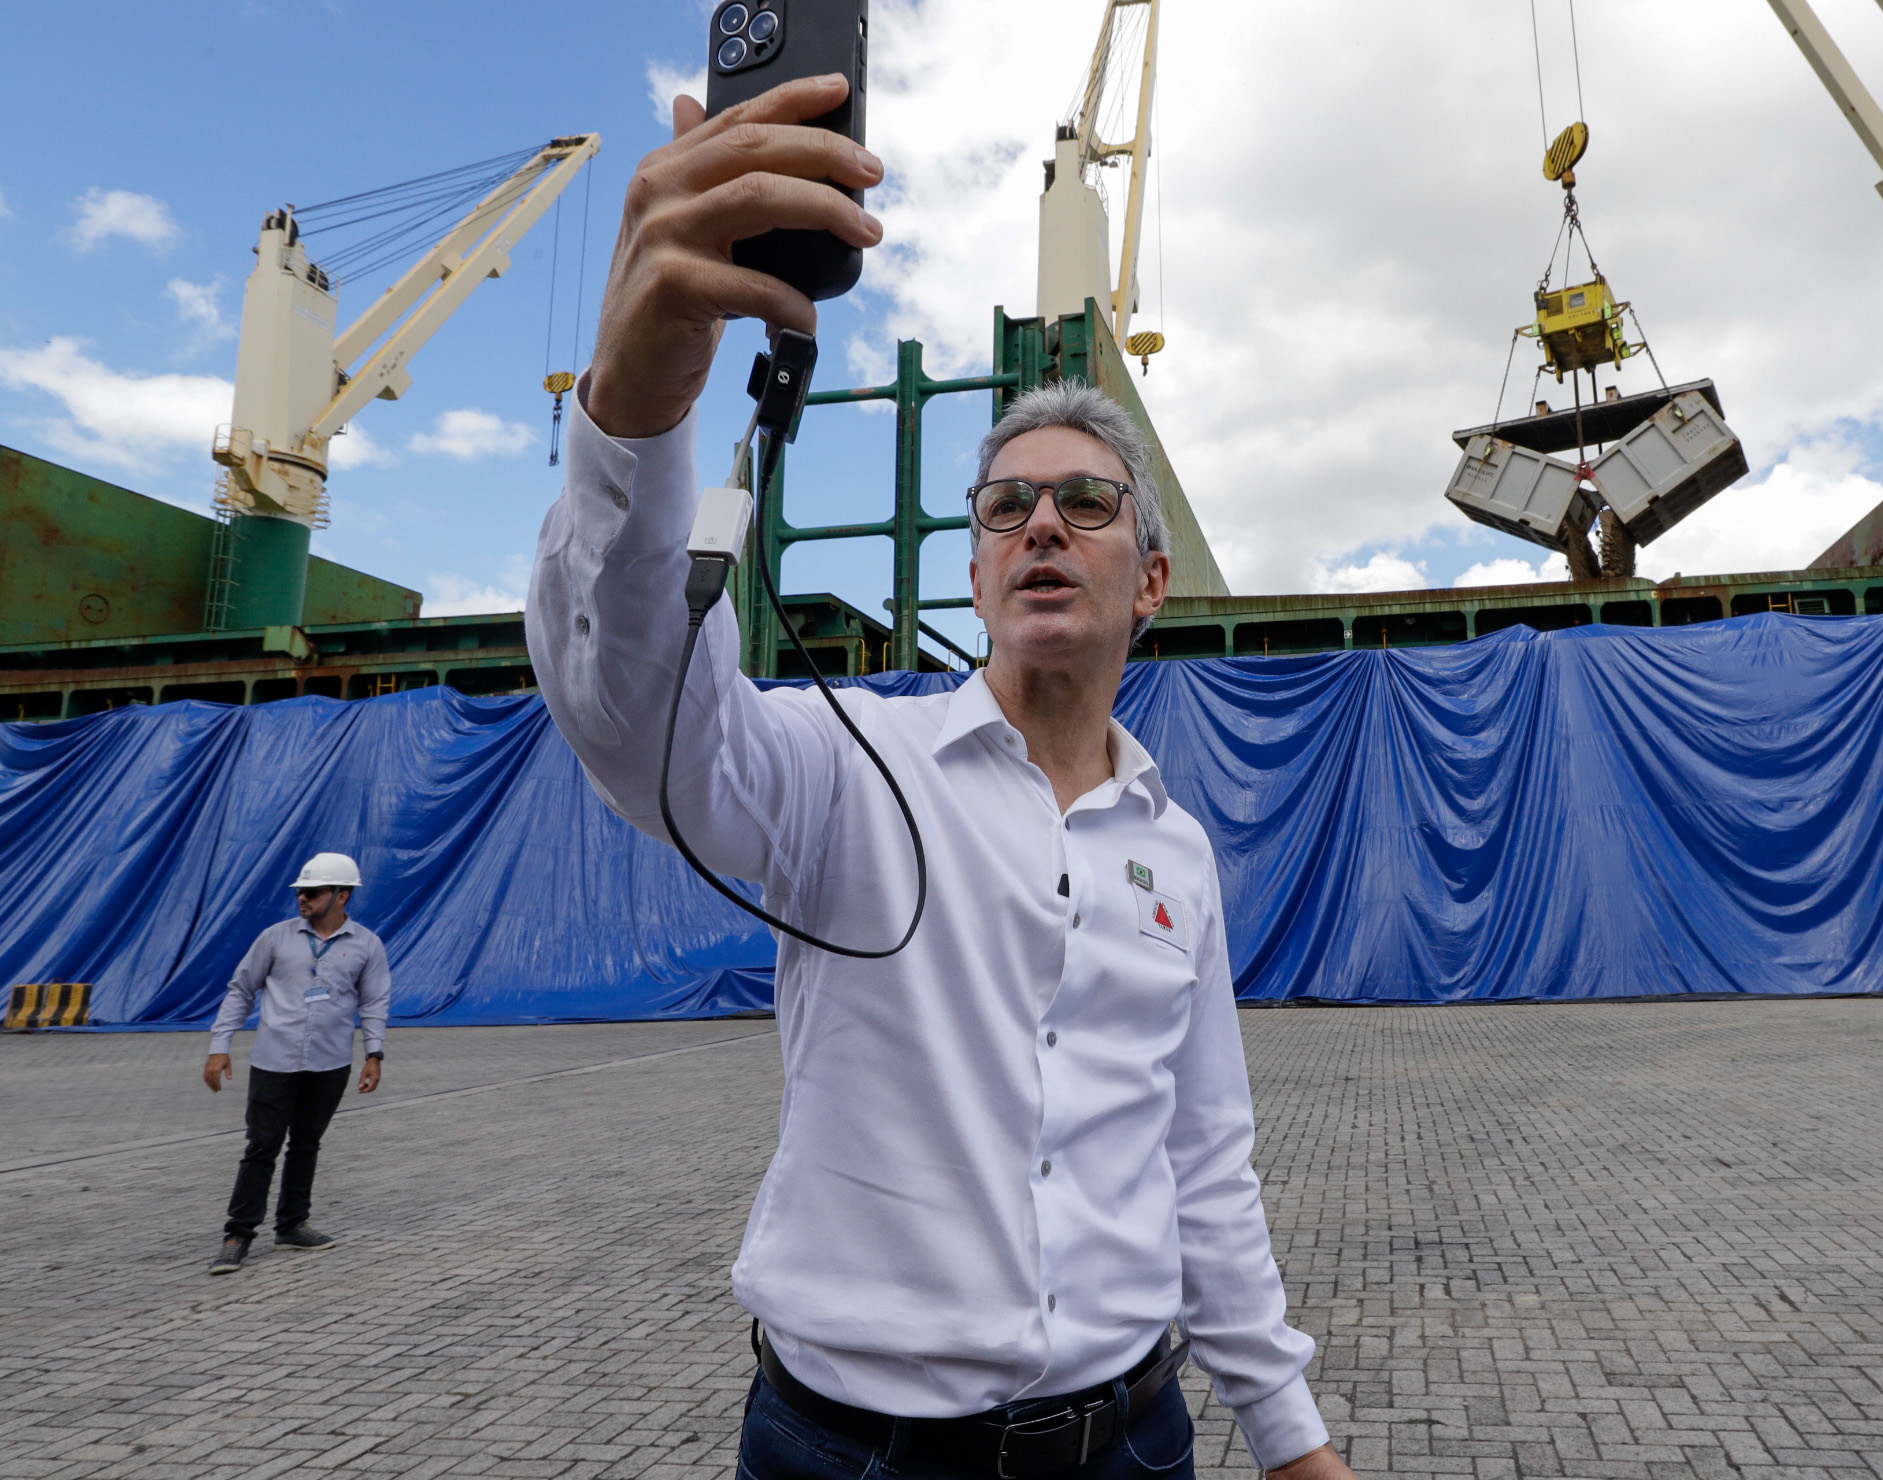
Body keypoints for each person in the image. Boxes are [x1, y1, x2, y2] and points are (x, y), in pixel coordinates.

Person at [524, 74, 1356, 1480]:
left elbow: (1202, 1167)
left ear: (1150, 577)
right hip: (849, 1456)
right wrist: (645, 398)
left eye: (1085, 502)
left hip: (1132, 1445)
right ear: (974, 571)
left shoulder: (1180, 857)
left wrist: (1289, 1438)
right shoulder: (844, 771)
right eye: (1006, 506)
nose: (1042, 521)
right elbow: (633, 717)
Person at [203, 852, 389, 1276]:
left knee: (306, 1143)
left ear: (342, 896)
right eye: (300, 891)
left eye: (312, 892)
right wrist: (220, 1045)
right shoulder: (275, 938)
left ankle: (291, 1225)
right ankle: (237, 1235)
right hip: (275, 1061)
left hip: (330, 1063)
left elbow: (375, 1002)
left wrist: (373, 1055)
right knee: (262, 1146)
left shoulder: (366, 945)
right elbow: (240, 990)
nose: (301, 898)